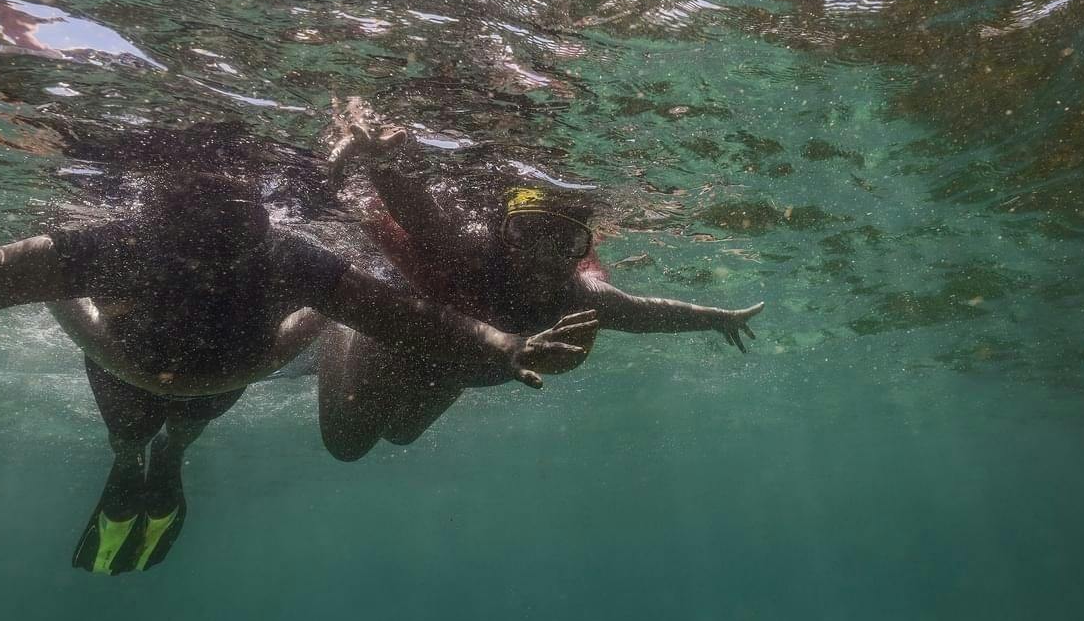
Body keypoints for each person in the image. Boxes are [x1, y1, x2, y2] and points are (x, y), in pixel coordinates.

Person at [0, 176, 597, 576]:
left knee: (173, 424)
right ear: (159, 202)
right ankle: (146, 458)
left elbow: (402, 316)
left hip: (187, 373)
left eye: (230, 208)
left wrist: (499, 346)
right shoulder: (127, 245)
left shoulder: (287, 257)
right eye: (194, 205)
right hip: (142, 367)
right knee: (140, 423)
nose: (213, 224)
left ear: (253, 210)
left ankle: (163, 458)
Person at [317, 100, 766, 461]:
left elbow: (646, 313)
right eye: (527, 234)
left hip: (455, 368)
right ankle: (338, 324)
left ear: (581, 250)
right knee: (349, 445)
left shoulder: (581, 295)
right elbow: (423, 217)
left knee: (401, 436)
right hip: (403, 344)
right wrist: (380, 162)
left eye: (564, 242)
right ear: (502, 232)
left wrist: (717, 318)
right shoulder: (473, 253)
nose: (542, 258)